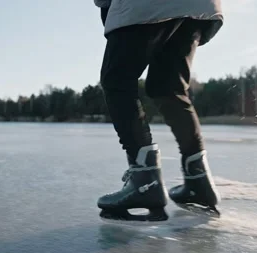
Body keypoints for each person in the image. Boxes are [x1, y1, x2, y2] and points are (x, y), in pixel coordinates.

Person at [94, 0, 223, 222]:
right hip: (200, 7)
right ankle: (199, 182)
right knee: (168, 87)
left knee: (117, 81)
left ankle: (145, 182)